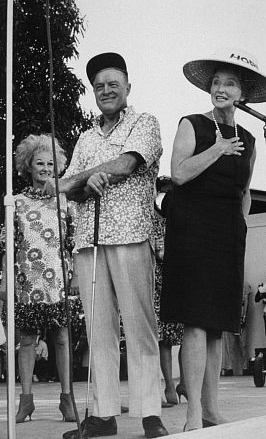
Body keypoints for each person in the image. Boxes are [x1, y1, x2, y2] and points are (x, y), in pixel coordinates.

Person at [44, 53, 168, 439]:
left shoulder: (144, 123)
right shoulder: (85, 137)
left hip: (131, 234)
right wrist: (86, 182)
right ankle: (102, 414)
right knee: (98, 329)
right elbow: (77, 188)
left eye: (113, 83)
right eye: (99, 86)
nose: (106, 90)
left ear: (128, 86)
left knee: (139, 325)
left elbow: (128, 164)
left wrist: (75, 181)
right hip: (90, 240)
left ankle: (150, 413)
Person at [160, 48, 266, 431]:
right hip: (192, 231)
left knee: (215, 325)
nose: (220, 88)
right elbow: (178, 173)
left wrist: (240, 225)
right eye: (216, 82)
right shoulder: (192, 124)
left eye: (229, 83)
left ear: (242, 93)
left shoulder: (248, 138)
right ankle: (193, 414)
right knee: (194, 323)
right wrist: (218, 148)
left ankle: (211, 409)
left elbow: (244, 190)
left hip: (228, 235)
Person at [0, 134, 76, 423]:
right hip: (26, 282)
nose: (45, 168)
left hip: (58, 280)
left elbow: (72, 242)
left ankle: (67, 400)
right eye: (39, 163)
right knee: (28, 340)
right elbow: (7, 245)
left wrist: (76, 275)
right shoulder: (15, 202)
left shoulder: (64, 201)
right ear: (27, 166)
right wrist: (5, 281)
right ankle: (26, 400)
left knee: (61, 337)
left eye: (50, 163)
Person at [154, 177, 184, 406]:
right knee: (165, 338)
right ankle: (170, 385)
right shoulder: (154, 220)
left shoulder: (182, 216)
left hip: (178, 278)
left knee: (184, 335)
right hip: (162, 281)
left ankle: (181, 383)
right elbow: (158, 251)